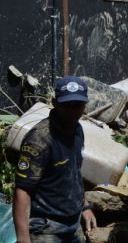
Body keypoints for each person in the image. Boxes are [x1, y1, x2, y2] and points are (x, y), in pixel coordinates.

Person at [13, 76, 96, 243]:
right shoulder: (40, 140)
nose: (73, 111)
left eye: (78, 105)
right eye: (67, 105)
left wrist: (85, 206)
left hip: (73, 223)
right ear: (54, 102)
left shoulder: (77, 130)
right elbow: (22, 190)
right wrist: (23, 239)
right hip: (46, 229)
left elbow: (72, 173)